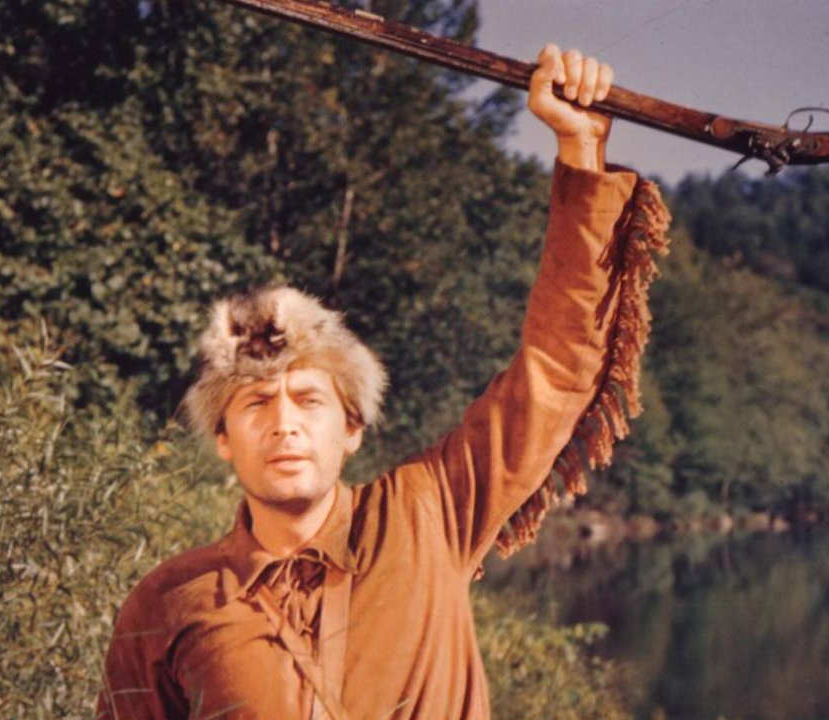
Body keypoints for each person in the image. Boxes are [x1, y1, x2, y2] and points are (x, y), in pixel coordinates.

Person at [97, 43, 670, 720]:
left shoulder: (429, 515)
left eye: (309, 399)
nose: (284, 423)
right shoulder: (169, 602)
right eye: (255, 403)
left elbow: (557, 368)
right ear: (223, 439)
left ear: (352, 428)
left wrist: (580, 148)